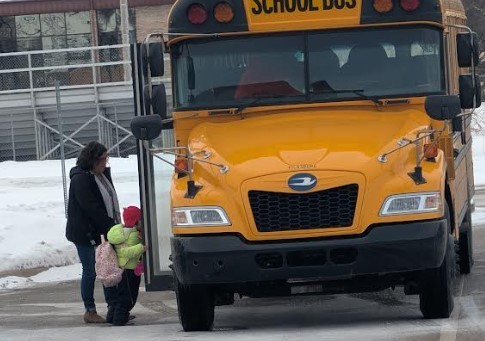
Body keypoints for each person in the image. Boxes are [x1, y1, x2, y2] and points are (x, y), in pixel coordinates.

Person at [65, 141, 120, 324]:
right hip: (85, 233)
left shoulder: (100, 175)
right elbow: (91, 207)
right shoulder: (81, 179)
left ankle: (113, 307)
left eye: (107, 158)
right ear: (93, 159)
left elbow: (108, 200)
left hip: (100, 230)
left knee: (108, 267)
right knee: (90, 271)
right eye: (103, 159)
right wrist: (110, 225)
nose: (106, 162)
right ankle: (90, 310)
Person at [107, 206, 147, 326]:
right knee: (128, 298)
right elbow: (125, 252)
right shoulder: (133, 235)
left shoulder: (118, 232)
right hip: (130, 270)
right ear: (136, 222)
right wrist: (142, 247)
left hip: (122, 269)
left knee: (120, 295)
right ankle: (120, 319)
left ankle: (112, 316)